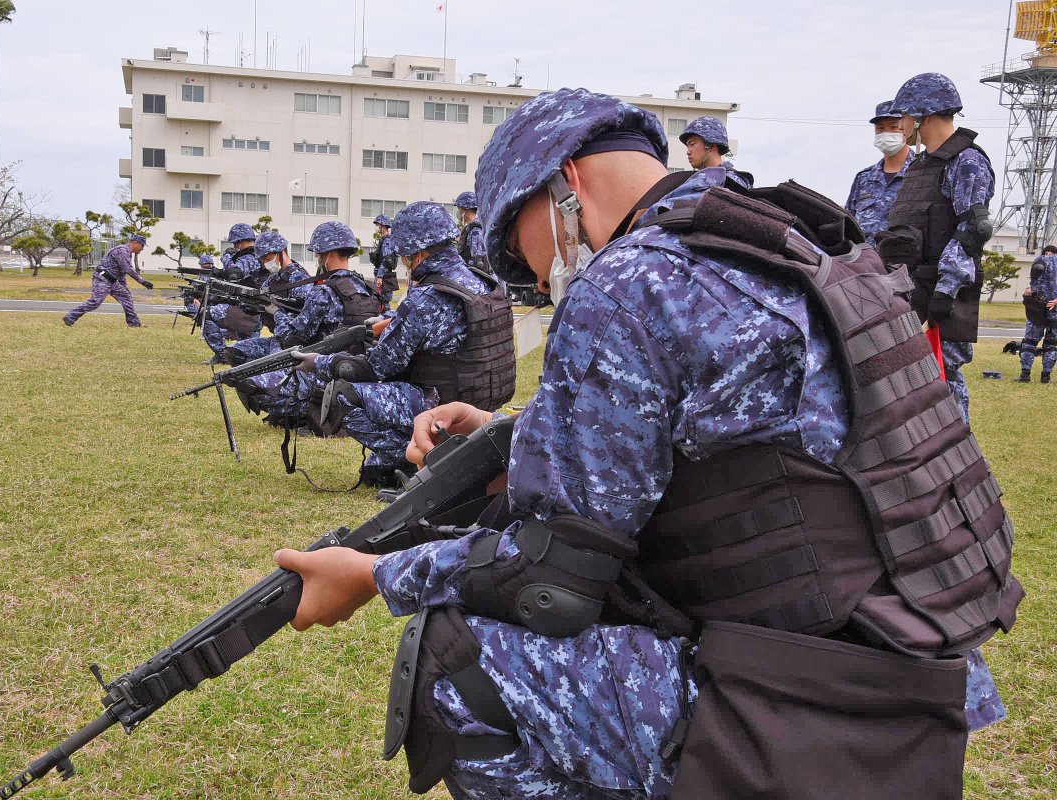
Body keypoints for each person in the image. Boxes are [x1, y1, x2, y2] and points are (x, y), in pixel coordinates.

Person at [271, 88, 1019, 798]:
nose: (532, 272)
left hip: (813, 705)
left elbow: (552, 577)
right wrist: (518, 429)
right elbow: (751, 434)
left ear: (563, 184)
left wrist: (374, 574)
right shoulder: (784, 244)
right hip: (918, 669)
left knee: (455, 660)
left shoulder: (632, 278)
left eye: (516, 241)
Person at [292, 203, 515, 489]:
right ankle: (393, 462)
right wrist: (389, 320)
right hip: (484, 400)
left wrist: (320, 362)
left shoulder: (424, 300)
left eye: (405, 255)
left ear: (418, 253)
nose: (403, 261)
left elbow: (378, 367)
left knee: (343, 395)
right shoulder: (484, 282)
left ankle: (420, 461)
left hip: (440, 404)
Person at [879, 72, 996, 421]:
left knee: (943, 383)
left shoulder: (967, 161)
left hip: (942, 293)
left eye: (904, 117)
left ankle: (961, 464)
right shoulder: (919, 165)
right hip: (912, 288)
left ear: (923, 115)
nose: (900, 124)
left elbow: (973, 230)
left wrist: (944, 294)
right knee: (911, 386)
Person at [233, 221, 381, 426]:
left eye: (318, 254)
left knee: (250, 385)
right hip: (359, 371)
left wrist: (277, 313)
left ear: (327, 254)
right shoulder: (369, 288)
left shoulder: (324, 292)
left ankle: (304, 412)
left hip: (324, 371)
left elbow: (292, 337)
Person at [844, 101, 915, 244]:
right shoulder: (864, 178)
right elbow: (847, 226)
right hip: (865, 262)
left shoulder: (921, 173)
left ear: (906, 128)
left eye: (893, 127)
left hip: (905, 262)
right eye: (880, 128)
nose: (885, 133)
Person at [201, 223, 267, 363]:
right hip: (252, 307)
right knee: (248, 346)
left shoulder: (249, 257)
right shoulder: (257, 255)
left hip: (246, 308)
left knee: (204, 314)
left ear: (239, 242)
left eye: (236, 243)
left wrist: (226, 259)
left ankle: (222, 354)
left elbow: (234, 273)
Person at [62, 234, 152, 327]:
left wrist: (123, 286)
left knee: (127, 297)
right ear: (136, 243)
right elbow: (127, 268)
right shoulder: (122, 251)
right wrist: (142, 281)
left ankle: (134, 323)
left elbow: (121, 272)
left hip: (113, 280)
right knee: (95, 301)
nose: (142, 248)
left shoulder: (127, 252)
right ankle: (70, 317)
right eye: (142, 245)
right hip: (103, 278)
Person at [1018, 243, 1057, 382]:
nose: (1048, 255)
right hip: (1054, 309)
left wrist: (1032, 289)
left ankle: (1025, 374)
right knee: (1051, 344)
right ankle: (1045, 376)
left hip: (1038, 307)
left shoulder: (1040, 260)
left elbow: (1036, 272)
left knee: (1030, 341)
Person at [678, 115, 752, 188]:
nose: (688, 152)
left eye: (692, 144)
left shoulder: (730, 181)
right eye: (688, 146)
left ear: (710, 145)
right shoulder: (696, 180)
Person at [454, 191, 488, 271]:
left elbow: (478, 261)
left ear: (466, 209)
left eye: (459, 208)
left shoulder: (475, 230)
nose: (458, 211)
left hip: (483, 278)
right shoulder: (477, 226)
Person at [370, 214, 400, 303]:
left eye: (378, 226)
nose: (377, 228)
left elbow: (386, 260)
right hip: (382, 275)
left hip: (384, 276)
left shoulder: (387, 241)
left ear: (383, 226)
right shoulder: (383, 240)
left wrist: (380, 277)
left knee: (383, 302)